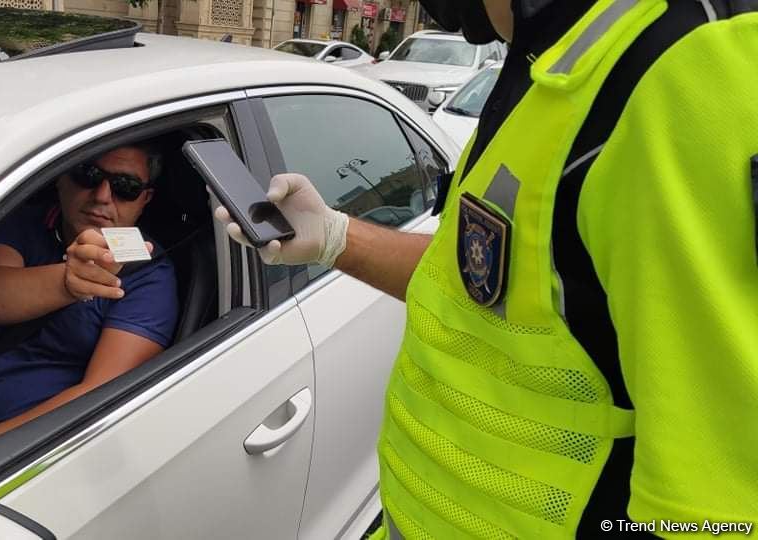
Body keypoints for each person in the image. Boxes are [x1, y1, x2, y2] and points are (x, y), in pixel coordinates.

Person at [217, 0, 758, 537]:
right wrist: (334, 236)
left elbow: (718, 512)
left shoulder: (680, 68)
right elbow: (485, 286)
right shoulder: (552, 64)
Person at [0, 144, 178, 471]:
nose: (103, 196)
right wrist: (68, 281)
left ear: (144, 199)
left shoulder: (149, 275)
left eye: (126, 187)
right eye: (88, 174)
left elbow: (98, 398)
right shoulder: (27, 222)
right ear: (61, 177)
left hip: (34, 458)